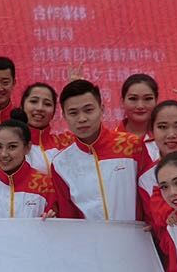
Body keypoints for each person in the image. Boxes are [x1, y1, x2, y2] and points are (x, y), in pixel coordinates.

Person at [51, 79, 151, 221]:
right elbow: (69, 217)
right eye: (73, 113)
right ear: (64, 116)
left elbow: (150, 193)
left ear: (102, 109)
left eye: (88, 110)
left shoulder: (131, 145)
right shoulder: (61, 163)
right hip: (89, 235)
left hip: (134, 233)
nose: (82, 119)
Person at [0, 116, 58, 219]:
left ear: (27, 147)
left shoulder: (46, 185)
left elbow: (58, 225)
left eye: (12, 147)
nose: (4, 154)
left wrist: (50, 223)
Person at [19, 82, 64, 173]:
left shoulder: (65, 144)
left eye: (47, 104)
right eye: (34, 101)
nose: (40, 108)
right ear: (22, 106)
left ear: (54, 112)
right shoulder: (11, 145)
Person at [118, 73, 160, 160]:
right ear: (122, 101)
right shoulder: (111, 140)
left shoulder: (166, 138)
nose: (140, 106)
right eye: (133, 99)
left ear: (156, 101)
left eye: (147, 99)